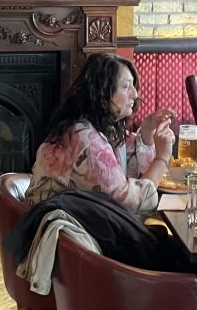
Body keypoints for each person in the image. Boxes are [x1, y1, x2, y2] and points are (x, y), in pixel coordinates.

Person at [25, 52, 175, 214]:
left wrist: (146, 134)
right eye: (125, 87)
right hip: (67, 235)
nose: (135, 94)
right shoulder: (86, 140)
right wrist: (162, 158)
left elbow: (124, 172)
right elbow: (131, 204)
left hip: (74, 227)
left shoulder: (89, 127)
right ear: (102, 92)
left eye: (133, 86)